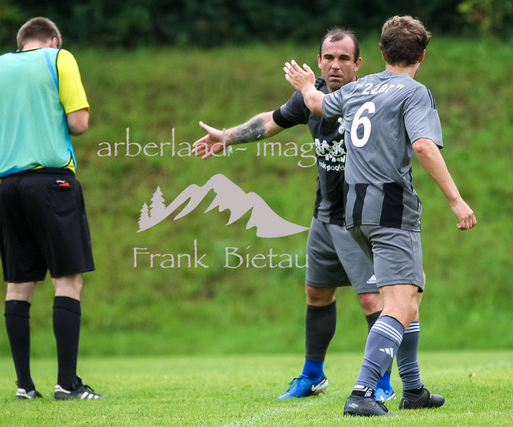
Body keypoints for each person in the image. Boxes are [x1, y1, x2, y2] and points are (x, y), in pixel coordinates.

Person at [284, 15, 477, 416]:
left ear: (382, 52)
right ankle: (362, 393)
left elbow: (318, 104)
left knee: (409, 291)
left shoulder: (360, 86)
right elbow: (423, 146)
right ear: (422, 55)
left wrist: (305, 86)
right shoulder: (414, 93)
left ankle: (414, 390)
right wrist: (456, 200)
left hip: (353, 211)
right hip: (390, 209)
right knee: (399, 305)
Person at [193, 28, 395, 401]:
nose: (335, 65)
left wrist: (307, 91)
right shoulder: (309, 94)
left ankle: (381, 383)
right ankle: (313, 375)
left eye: (344, 58)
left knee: (372, 301)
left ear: (358, 64)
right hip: (325, 213)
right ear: (319, 60)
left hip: (361, 216)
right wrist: (227, 136)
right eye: (328, 57)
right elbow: (271, 120)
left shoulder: (367, 96)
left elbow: (326, 106)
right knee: (317, 293)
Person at [0, 17, 104, 400]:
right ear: (53, 40)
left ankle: (25, 387)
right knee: (68, 280)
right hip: (52, 182)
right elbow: (79, 123)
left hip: (9, 188)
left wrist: (15, 125)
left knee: (19, 284)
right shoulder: (59, 59)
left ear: (20, 43)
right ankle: (67, 384)